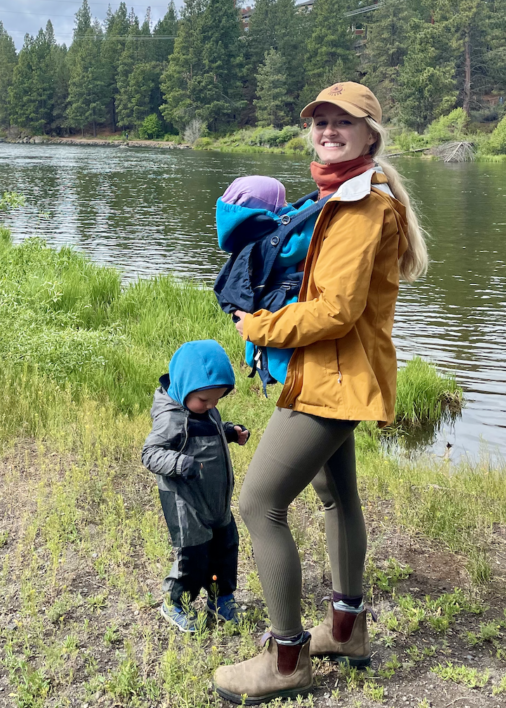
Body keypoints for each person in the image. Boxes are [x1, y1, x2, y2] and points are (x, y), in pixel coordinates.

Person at [213, 82, 428, 705]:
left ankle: (285, 661)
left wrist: (257, 326)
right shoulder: (346, 194)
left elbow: (334, 311)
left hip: (332, 381)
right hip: (339, 373)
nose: (328, 130)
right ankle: (346, 631)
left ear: (370, 135)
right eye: (321, 121)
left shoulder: (361, 208)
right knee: (336, 497)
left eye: (343, 122)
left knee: (258, 504)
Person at [142, 339, 251, 633]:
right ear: (185, 388)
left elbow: (208, 430)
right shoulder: (171, 418)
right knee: (194, 555)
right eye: (204, 400)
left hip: (215, 498)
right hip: (185, 500)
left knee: (225, 547)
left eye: (217, 400)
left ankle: (220, 597)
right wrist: (180, 463)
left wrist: (228, 431)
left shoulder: (204, 410)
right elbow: (149, 454)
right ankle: (175, 602)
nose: (211, 406)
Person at [214, 175, 331, 393]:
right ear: (265, 209)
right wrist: (311, 211)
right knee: (285, 359)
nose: (287, 206)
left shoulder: (249, 234)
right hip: (280, 311)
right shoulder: (272, 240)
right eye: (282, 203)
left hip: (264, 313)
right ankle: (291, 380)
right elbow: (295, 247)